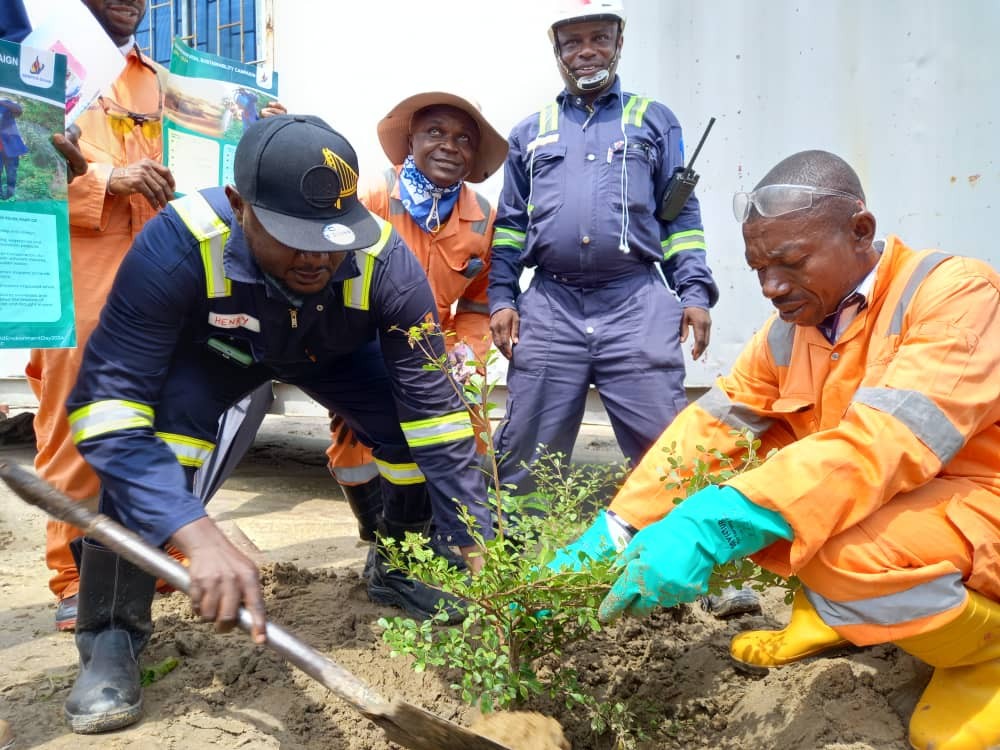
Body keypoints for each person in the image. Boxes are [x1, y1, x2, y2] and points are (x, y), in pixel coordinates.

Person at [553, 149, 1000, 750]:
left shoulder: (955, 293)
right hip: (910, 497)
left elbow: (887, 443)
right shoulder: (796, 327)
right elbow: (716, 425)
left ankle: (987, 657)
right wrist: (621, 525)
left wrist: (717, 521)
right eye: (758, 268)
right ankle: (833, 614)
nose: (771, 287)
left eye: (789, 263)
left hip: (984, 500)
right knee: (779, 484)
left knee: (826, 543)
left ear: (860, 231)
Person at [62, 114, 493, 733]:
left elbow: (439, 416)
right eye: (294, 235)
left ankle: (399, 566)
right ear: (241, 206)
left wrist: (473, 542)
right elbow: (108, 407)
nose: (317, 256)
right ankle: (110, 638)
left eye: (332, 236)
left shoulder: (387, 262)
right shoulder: (176, 244)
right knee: (156, 446)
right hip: (217, 355)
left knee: (413, 430)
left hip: (334, 353)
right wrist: (197, 532)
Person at [486, 1, 753, 617]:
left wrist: (694, 292)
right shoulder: (530, 132)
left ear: (618, 43)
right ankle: (514, 573)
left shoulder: (653, 121)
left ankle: (709, 577)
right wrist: (501, 296)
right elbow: (509, 226)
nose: (586, 51)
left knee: (667, 441)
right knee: (525, 441)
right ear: (557, 51)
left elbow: (680, 216)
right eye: (573, 41)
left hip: (635, 298)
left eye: (598, 38)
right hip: (550, 302)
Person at [24, 0, 177, 633]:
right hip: (75, 274)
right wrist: (107, 180)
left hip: (162, 271)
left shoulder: (163, 83)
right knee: (74, 421)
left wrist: (246, 136)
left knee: (157, 413)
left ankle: (148, 555)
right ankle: (72, 575)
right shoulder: (40, 59)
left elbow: (196, 170)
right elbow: (20, 166)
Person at [325, 90, 507, 554]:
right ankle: (380, 536)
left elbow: (479, 303)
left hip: (440, 348)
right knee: (359, 441)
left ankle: (450, 539)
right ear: (410, 140)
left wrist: (466, 355)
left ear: (475, 155)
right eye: (435, 133)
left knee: (467, 433)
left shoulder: (484, 218)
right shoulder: (371, 198)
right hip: (366, 344)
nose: (449, 146)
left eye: (464, 139)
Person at [0, 96, 28, 201]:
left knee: (11, 173)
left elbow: (19, 110)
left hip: (11, 149)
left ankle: (10, 196)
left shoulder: (4, 104)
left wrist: (1, 102)